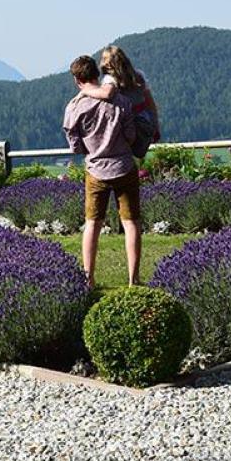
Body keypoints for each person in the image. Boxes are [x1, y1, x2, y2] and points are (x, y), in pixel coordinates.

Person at [63, 55, 142, 287]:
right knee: (131, 223)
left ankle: (89, 279)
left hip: (96, 170)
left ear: (78, 80)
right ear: (96, 74)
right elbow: (131, 136)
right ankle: (133, 279)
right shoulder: (121, 101)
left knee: (92, 224)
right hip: (124, 167)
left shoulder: (74, 107)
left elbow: (76, 146)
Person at [79, 45, 160, 158]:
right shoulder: (138, 75)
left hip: (126, 125)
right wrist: (155, 126)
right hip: (144, 121)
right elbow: (150, 104)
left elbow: (106, 93)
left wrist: (85, 91)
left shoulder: (110, 79)